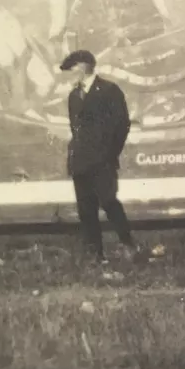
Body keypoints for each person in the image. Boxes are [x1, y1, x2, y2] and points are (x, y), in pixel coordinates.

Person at [60, 49, 136, 263]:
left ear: (84, 67)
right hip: (80, 162)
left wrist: (109, 154)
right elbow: (76, 129)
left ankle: (127, 243)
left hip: (102, 162)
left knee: (109, 202)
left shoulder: (109, 90)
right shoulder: (74, 96)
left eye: (72, 69)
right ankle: (96, 254)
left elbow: (122, 125)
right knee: (86, 210)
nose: (69, 74)